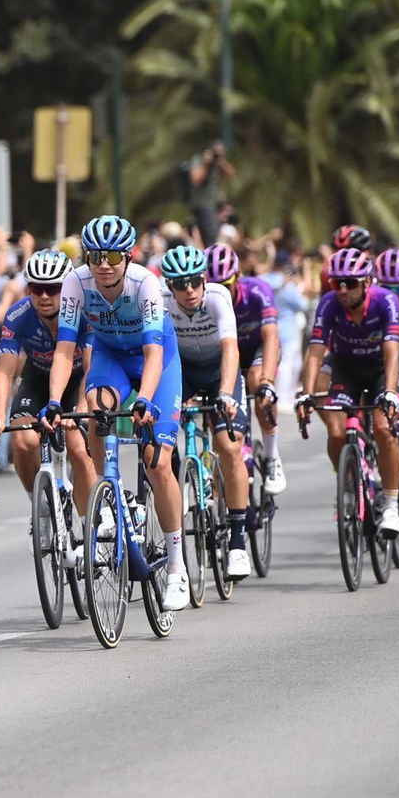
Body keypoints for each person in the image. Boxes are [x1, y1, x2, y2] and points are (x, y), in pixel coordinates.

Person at [41, 215, 189, 610]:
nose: (103, 264)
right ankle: (107, 494)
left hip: (156, 361)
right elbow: (64, 351)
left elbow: (154, 353)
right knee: (98, 408)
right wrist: (54, 400)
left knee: (158, 463)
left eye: (111, 257)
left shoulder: (145, 284)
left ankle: (177, 568)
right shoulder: (76, 282)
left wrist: (144, 399)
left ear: (127, 257)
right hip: (111, 358)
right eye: (95, 256)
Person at [0, 250, 96, 562]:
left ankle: (92, 529)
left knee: (77, 447)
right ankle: (41, 510)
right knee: (22, 441)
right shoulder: (18, 315)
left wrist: (81, 406)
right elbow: (4, 373)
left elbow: (91, 366)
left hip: (78, 380)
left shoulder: (83, 311)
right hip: (37, 379)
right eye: (36, 288)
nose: (44, 296)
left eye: (53, 289)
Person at [160, 246, 252, 580]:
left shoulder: (217, 297)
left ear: (204, 279)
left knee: (228, 445)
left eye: (195, 281)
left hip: (217, 373)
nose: (189, 290)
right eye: (179, 284)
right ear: (169, 286)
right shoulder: (160, 302)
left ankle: (238, 544)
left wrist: (226, 393)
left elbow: (230, 349)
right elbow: (154, 351)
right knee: (159, 443)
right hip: (181, 371)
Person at [296, 248, 399, 533]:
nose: (342, 290)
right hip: (346, 367)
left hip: (380, 368)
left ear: (366, 282)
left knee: (384, 428)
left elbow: (392, 351)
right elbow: (316, 350)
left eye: (350, 283)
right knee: (337, 433)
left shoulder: (386, 301)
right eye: (336, 283)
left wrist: (391, 392)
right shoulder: (329, 303)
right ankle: (350, 485)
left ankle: (391, 505)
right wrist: (306, 393)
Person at [206, 244, 286, 494]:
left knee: (257, 383)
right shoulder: (202, 300)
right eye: (213, 286)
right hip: (227, 355)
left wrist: (267, 381)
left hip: (257, 350)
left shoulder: (258, 291)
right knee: (217, 403)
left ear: (238, 276)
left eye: (226, 284)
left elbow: (271, 337)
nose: (221, 292)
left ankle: (271, 456)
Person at [181, 142, 234, 246]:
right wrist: (205, 163)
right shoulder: (199, 160)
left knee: (213, 231)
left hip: (213, 204)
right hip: (201, 203)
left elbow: (231, 174)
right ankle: (210, 252)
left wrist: (221, 162)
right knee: (211, 233)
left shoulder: (217, 164)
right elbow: (196, 180)